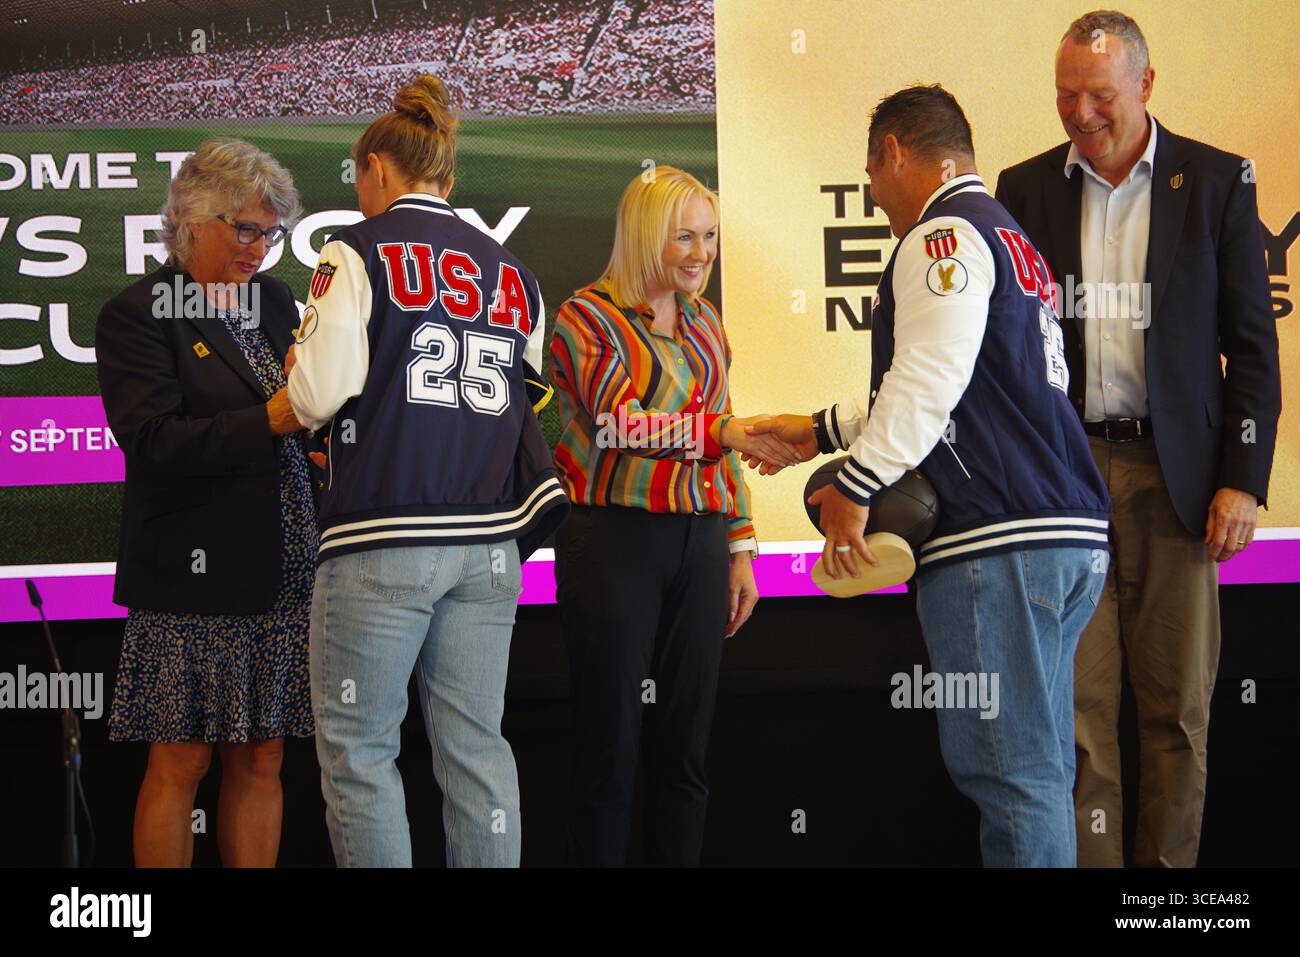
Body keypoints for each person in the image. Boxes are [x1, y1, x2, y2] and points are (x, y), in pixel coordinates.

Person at [750, 86, 1111, 867]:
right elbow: (957, 382)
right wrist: (813, 432)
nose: (875, 195)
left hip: (1000, 535)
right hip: (1062, 531)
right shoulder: (1009, 236)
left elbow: (931, 376)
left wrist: (853, 489)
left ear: (894, 153)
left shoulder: (939, 235)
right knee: (1039, 768)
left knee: (1011, 775)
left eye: (872, 173)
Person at [994, 10, 1281, 868]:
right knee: (1077, 715)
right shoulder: (1024, 189)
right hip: (1068, 485)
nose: (1080, 113)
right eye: (1064, 95)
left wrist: (1243, 476)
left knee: (1177, 714)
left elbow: (1253, 348)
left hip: (1181, 480)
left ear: (1146, 86)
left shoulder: (1218, 181)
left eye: (1099, 95)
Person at [287, 75, 567, 868]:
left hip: (382, 534)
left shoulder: (355, 250)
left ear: (377, 168)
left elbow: (315, 393)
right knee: (478, 750)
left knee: (360, 752)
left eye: (357, 174)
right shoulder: (514, 272)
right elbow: (526, 399)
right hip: (487, 545)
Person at [549, 166, 801, 866]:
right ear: (642, 236)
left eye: (710, 237)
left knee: (684, 750)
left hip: (698, 540)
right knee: (611, 749)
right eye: (684, 236)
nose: (701, 252)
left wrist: (741, 546)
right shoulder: (585, 316)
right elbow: (619, 425)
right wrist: (721, 432)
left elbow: (725, 437)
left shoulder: (707, 322)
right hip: (612, 540)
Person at [96, 137, 312, 867]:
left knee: (263, 755)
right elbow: (153, 441)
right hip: (194, 575)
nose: (260, 247)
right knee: (181, 759)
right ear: (190, 218)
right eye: (245, 228)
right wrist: (274, 420)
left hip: (286, 565)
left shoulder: (277, 299)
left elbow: (306, 416)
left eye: (271, 230)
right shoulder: (139, 313)